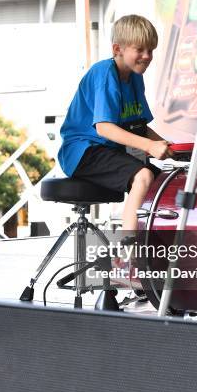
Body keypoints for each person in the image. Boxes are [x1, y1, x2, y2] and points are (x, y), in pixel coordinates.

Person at [58, 14, 173, 232]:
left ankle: (157, 245)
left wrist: (172, 147)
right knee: (144, 176)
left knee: (165, 184)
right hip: (83, 151)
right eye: (140, 49)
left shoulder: (135, 77)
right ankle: (128, 250)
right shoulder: (104, 73)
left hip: (110, 151)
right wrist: (150, 146)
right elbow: (104, 128)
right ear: (117, 49)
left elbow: (139, 128)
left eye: (151, 50)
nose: (147, 56)